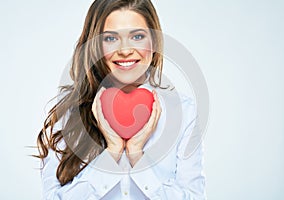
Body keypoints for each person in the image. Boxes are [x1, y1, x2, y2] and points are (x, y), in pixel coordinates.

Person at [36, 0, 206, 199]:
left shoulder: (183, 112)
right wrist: (112, 153)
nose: (125, 50)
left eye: (137, 36)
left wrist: (136, 155)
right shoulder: (68, 113)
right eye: (110, 38)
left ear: (154, 42)